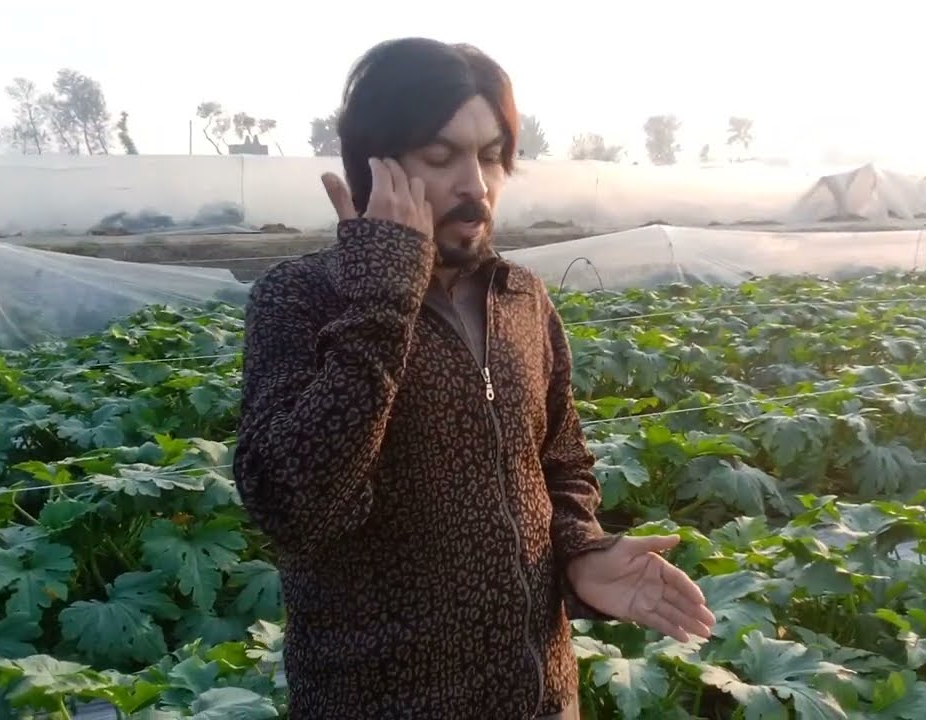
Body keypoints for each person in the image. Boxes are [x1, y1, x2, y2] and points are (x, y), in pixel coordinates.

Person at [233, 37, 715, 719]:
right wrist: (382, 300)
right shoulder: (302, 298)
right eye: (440, 156)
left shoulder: (523, 299)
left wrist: (580, 551)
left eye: (491, 156)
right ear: (376, 166)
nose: (476, 184)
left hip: (543, 698)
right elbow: (292, 506)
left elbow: (561, 463)